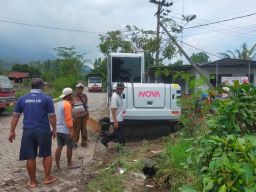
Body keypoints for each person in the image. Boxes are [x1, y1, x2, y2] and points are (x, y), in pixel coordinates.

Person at [8, 78, 58, 188]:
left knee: (30, 156)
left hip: (28, 131)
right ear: (41, 86)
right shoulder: (47, 98)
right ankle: (47, 178)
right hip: (43, 130)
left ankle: (33, 182)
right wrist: (54, 129)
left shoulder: (22, 98)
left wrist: (12, 131)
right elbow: (52, 116)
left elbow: (16, 115)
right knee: (47, 154)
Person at [55, 87, 79, 171]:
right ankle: (69, 164)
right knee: (69, 147)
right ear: (68, 95)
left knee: (59, 146)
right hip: (66, 130)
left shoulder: (58, 103)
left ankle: (57, 165)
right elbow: (68, 119)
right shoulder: (67, 105)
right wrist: (72, 131)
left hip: (58, 129)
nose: (72, 96)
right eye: (71, 94)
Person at [101, 82, 126, 149]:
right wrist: (115, 121)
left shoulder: (119, 95)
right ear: (117, 89)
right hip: (116, 120)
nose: (121, 90)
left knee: (116, 134)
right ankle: (121, 150)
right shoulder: (115, 97)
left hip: (119, 119)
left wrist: (122, 115)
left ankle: (104, 141)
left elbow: (119, 108)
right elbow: (113, 109)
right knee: (121, 136)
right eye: (120, 89)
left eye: (122, 89)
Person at [73, 82, 89, 148]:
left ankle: (84, 143)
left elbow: (86, 105)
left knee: (84, 130)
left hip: (84, 115)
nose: (80, 89)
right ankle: (74, 143)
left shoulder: (84, 96)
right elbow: (70, 106)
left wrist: (87, 113)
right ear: (76, 88)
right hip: (76, 116)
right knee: (76, 130)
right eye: (79, 88)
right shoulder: (72, 96)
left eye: (81, 88)